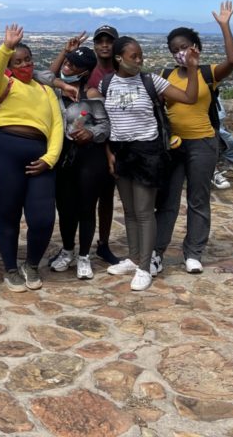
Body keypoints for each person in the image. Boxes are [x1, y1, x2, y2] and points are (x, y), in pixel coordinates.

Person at [89, 36, 199, 291]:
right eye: (134, 56)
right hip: (120, 151)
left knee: (144, 211)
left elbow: (189, 97)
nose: (139, 60)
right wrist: (109, 153)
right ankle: (134, 257)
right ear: (119, 58)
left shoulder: (151, 81)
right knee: (129, 211)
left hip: (147, 152)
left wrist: (192, 69)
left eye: (140, 55)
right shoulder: (107, 83)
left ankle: (145, 267)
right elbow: (103, 119)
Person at [152, 1, 233, 276]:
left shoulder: (207, 73)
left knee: (198, 199)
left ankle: (193, 252)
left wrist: (224, 26)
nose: (179, 53)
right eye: (174, 50)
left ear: (195, 47)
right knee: (167, 200)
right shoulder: (166, 75)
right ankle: (156, 252)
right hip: (173, 144)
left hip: (202, 142)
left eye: (183, 47)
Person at [0, 24, 64, 291]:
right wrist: (6, 47)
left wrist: (50, 159)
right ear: (9, 64)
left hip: (40, 156)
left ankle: (31, 264)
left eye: (27, 59)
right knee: (7, 213)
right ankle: (10, 268)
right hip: (5, 152)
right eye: (17, 61)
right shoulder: (3, 84)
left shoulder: (46, 91)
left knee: (43, 218)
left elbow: (57, 126)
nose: (24, 65)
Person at [39, 42, 110, 280]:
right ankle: (67, 250)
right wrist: (62, 81)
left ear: (85, 71)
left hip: (88, 156)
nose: (67, 67)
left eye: (73, 65)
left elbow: (105, 125)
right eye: (67, 63)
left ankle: (84, 256)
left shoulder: (91, 94)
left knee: (86, 208)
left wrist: (91, 133)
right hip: (63, 155)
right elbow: (40, 75)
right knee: (65, 207)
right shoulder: (57, 89)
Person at [88, 25, 123, 266]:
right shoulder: (88, 70)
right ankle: (82, 246)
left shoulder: (122, 72)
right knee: (87, 198)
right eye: (100, 41)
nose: (104, 45)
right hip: (90, 142)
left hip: (116, 141)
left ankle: (103, 243)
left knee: (107, 197)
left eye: (109, 41)